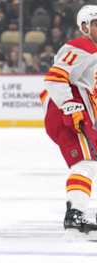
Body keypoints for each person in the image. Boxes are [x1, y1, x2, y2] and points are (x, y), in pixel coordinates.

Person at [42, 5, 97, 234]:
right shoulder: (81, 45)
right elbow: (54, 77)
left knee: (90, 164)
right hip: (68, 112)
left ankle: (77, 206)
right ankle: (75, 213)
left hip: (79, 111)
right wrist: (68, 105)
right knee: (86, 163)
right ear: (84, 27)